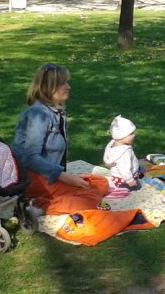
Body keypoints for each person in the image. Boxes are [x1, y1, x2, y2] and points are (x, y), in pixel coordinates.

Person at [12, 64, 107, 214]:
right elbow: (30, 159)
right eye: (62, 83)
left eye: (67, 82)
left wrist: (66, 176)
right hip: (35, 177)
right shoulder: (39, 115)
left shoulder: (56, 110)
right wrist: (64, 176)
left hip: (49, 173)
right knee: (91, 197)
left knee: (101, 182)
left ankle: (56, 198)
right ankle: (38, 205)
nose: (68, 87)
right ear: (47, 87)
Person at [103, 115, 141, 190]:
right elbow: (124, 169)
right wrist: (130, 181)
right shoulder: (124, 152)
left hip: (117, 177)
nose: (134, 135)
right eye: (131, 134)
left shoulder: (113, 144)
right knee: (138, 188)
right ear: (121, 136)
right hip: (125, 180)